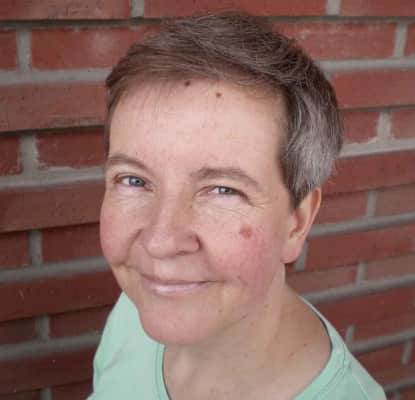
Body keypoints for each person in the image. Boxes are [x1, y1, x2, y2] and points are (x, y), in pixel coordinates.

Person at [88, 12, 386, 400]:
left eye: (223, 190)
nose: (159, 243)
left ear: (297, 222)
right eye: (134, 180)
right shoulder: (143, 300)